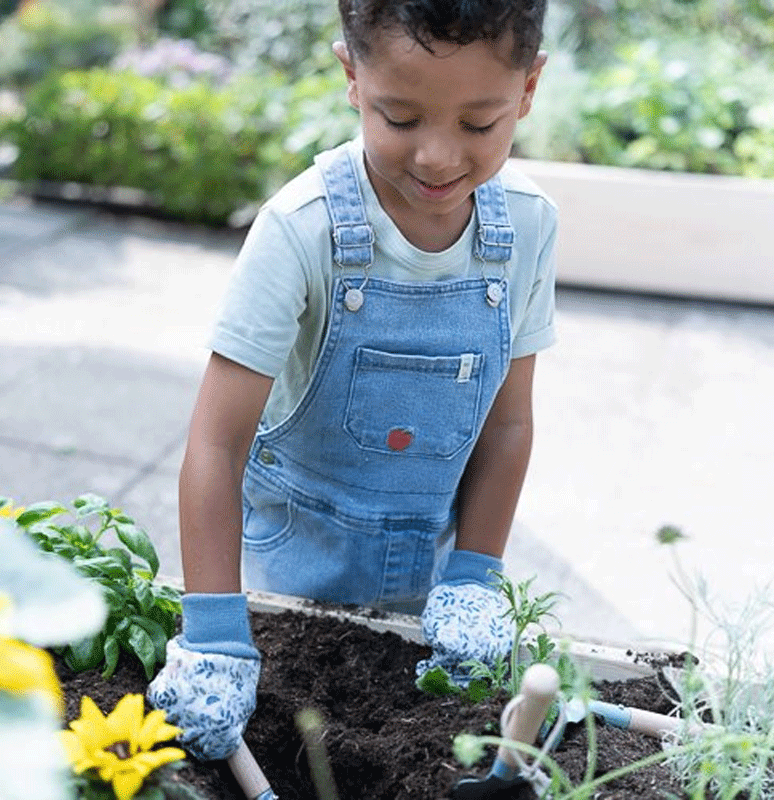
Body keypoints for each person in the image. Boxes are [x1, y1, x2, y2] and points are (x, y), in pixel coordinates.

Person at [148, 0, 557, 766]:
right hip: (282, 594)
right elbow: (214, 444)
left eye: (479, 124)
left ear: (528, 89)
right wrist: (215, 635)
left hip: (428, 602)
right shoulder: (301, 229)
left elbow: (508, 425)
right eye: (400, 118)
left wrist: (474, 575)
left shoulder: (527, 227)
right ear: (352, 77)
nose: (437, 157)